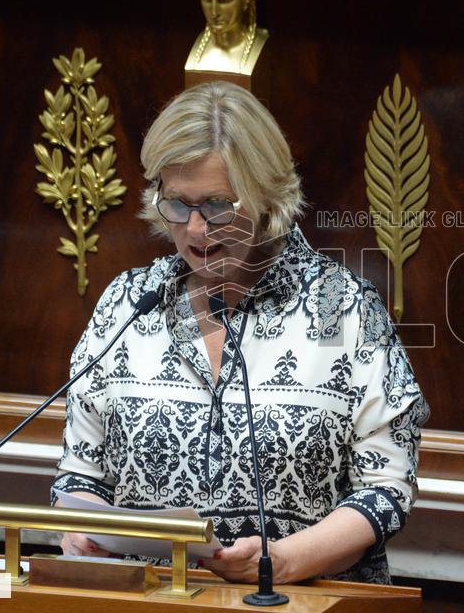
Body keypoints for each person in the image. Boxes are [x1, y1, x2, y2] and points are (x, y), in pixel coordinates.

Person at [52, 81, 429, 585]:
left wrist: (284, 560)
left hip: (299, 600)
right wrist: (80, 528)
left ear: (267, 197)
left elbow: (387, 488)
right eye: (177, 204)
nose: (195, 230)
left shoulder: (345, 308)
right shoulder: (126, 303)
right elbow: (81, 473)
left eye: (217, 206)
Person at [184, 0, 269, 75]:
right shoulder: (197, 51)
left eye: (224, 0)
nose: (214, 12)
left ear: (246, 0)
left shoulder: (261, 41)